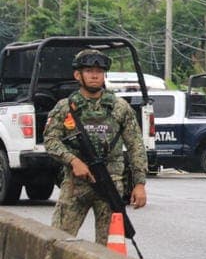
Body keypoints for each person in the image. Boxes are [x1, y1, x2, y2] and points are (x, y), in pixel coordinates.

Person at [44, 49, 148, 245]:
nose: (94, 75)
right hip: (75, 185)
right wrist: (73, 161)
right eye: (89, 71)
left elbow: (135, 145)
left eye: (99, 71)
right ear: (78, 75)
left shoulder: (119, 107)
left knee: (108, 247)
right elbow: (50, 140)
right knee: (58, 242)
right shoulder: (65, 107)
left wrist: (140, 184)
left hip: (110, 183)